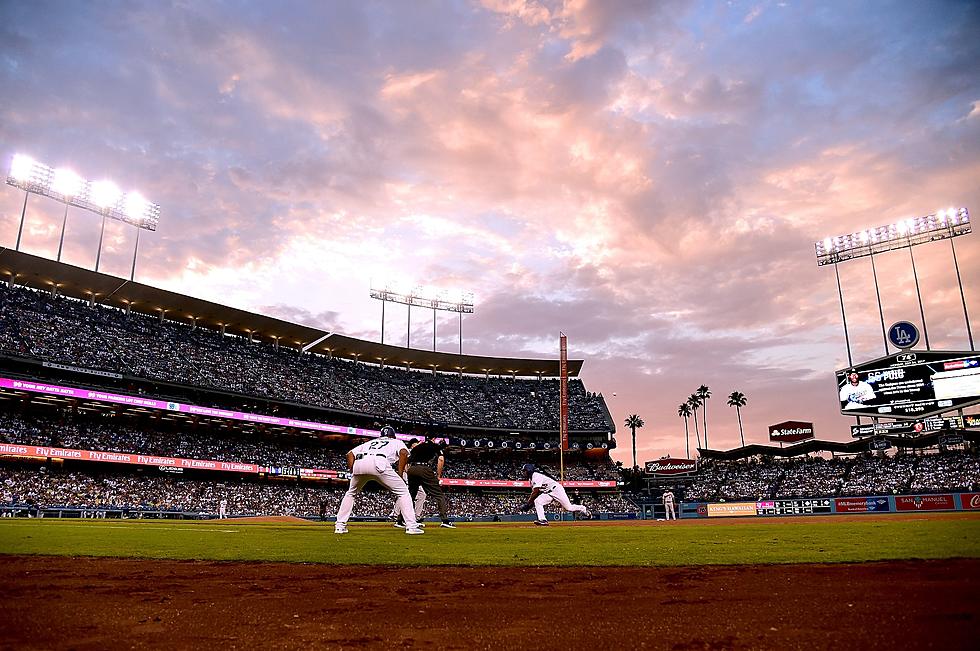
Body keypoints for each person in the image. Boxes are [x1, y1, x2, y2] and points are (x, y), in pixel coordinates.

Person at [334, 426, 423, 535]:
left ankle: (339, 526)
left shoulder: (371, 442)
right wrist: (400, 474)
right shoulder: (396, 441)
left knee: (351, 493)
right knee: (403, 492)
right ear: (393, 436)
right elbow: (404, 453)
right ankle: (411, 526)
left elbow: (350, 454)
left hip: (360, 462)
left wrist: (353, 470)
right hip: (379, 462)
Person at [398, 437, 455, 528]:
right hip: (424, 468)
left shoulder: (417, 447)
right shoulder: (433, 446)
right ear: (433, 439)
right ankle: (445, 521)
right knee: (439, 495)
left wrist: (407, 471)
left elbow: (406, 460)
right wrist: (438, 476)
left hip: (412, 469)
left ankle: (400, 520)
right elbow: (440, 459)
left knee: (410, 496)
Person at [520, 463, 590, 525]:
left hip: (556, 489)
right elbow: (536, 494)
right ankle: (543, 520)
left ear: (529, 470)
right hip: (548, 493)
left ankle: (583, 508)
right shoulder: (531, 480)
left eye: (524, 471)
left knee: (569, 508)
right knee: (538, 501)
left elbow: (535, 492)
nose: (523, 473)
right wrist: (529, 505)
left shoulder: (536, 476)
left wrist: (527, 504)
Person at [392, 439, 428, 526]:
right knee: (405, 493)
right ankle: (396, 514)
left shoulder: (416, 452)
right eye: (416, 444)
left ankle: (414, 517)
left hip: (411, 475)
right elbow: (403, 464)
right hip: (406, 475)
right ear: (412, 445)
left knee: (421, 494)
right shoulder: (409, 451)